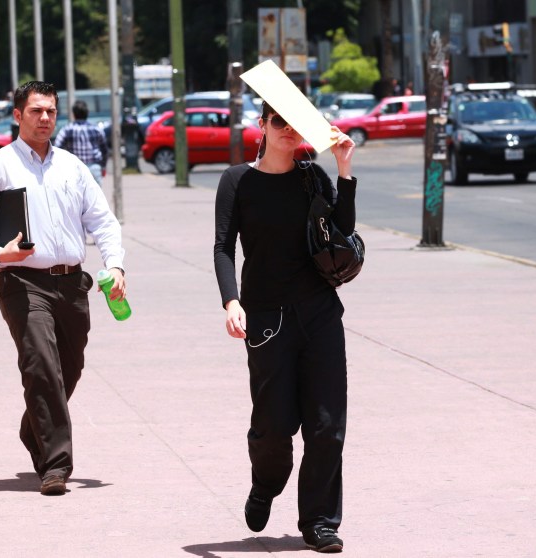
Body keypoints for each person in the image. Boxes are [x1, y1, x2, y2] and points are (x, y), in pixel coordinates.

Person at [0, 81, 127, 496]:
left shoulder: (72, 167)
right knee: (41, 365)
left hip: (72, 283)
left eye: (50, 111)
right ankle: (55, 465)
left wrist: (115, 265)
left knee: (69, 367)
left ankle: (34, 427)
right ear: (18, 115)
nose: (45, 118)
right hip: (22, 282)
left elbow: (102, 221)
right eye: (36, 111)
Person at [213, 100, 357, 553]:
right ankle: (266, 483)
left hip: (319, 312)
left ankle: (319, 521)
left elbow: (342, 231)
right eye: (278, 122)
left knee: (327, 424)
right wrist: (231, 301)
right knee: (273, 426)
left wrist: (345, 170)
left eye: (295, 124)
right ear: (262, 125)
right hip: (266, 318)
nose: (287, 130)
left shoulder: (313, 177)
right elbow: (223, 247)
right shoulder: (237, 180)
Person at [54, 100, 109, 186]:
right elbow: (104, 150)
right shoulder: (96, 129)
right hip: (94, 167)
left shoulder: (67, 129)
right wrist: (103, 165)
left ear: (74, 114)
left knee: (76, 193)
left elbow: (57, 147)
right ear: (87, 113)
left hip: (74, 168)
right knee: (96, 193)